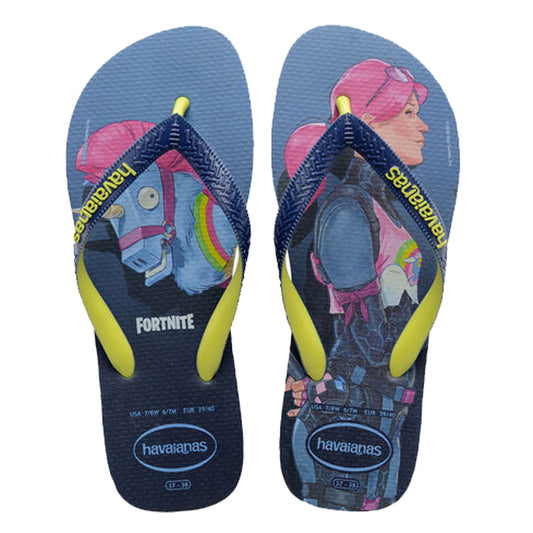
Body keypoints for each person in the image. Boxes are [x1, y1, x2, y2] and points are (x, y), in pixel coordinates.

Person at [284, 58, 429, 510]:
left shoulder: (382, 206)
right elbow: (371, 340)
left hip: (381, 412)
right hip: (348, 413)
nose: (423, 126)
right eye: (408, 113)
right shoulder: (349, 209)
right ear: (365, 127)